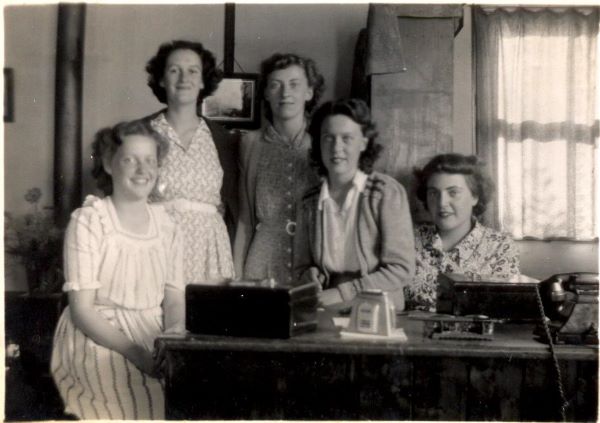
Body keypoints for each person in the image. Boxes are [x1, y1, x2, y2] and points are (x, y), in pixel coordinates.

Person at [50, 120, 185, 420]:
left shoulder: (168, 225)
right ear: (109, 164)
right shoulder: (90, 220)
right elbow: (82, 310)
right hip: (99, 336)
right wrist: (138, 354)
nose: (143, 169)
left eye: (150, 160)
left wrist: (172, 341)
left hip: (154, 333)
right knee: (129, 402)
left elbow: (174, 297)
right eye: (130, 160)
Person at [295, 98, 415, 309]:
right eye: (328, 138)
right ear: (318, 144)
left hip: (378, 308)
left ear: (364, 143)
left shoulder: (386, 192)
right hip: (326, 307)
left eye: (347, 138)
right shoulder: (309, 201)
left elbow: (402, 269)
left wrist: (344, 292)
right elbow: (301, 267)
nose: (336, 147)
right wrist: (309, 275)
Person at [144, 39, 238, 284]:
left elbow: (231, 205)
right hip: (155, 249)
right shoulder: (142, 132)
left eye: (193, 71)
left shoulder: (223, 139)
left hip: (210, 253)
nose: (184, 78)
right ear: (161, 79)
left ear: (203, 80)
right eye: (174, 70)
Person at [233, 53, 324, 285]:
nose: (285, 93)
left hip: (312, 263)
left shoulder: (323, 142)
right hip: (262, 261)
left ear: (309, 92)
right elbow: (245, 220)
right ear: (265, 92)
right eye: (275, 85)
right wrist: (237, 278)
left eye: (294, 85)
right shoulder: (250, 143)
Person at [406, 153, 520, 311]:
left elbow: (504, 309)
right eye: (433, 193)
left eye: (453, 193)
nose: (442, 203)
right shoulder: (408, 240)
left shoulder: (499, 247)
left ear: (475, 196)